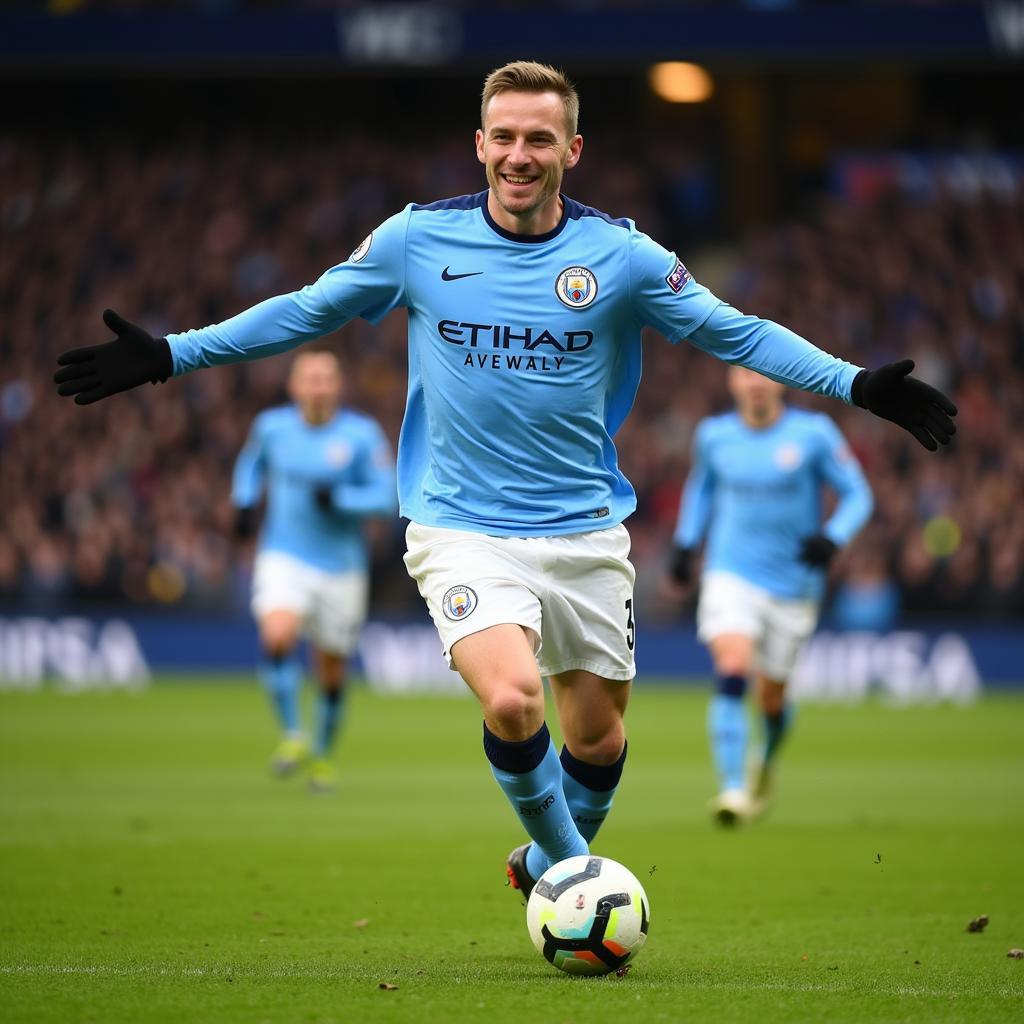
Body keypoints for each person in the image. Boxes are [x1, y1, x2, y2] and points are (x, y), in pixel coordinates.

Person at [53, 61, 956, 899]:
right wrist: (173, 354)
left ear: (571, 150)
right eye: (503, 137)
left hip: (586, 532)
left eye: (538, 139)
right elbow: (306, 310)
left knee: (597, 740)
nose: (518, 155)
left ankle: (546, 856)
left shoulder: (624, 258)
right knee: (516, 697)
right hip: (459, 527)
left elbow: (740, 331)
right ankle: (577, 879)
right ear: (479, 144)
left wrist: (856, 384)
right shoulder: (417, 239)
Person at [667, 366, 873, 825]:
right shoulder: (714, 436)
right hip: (730, 573)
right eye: (746, 375)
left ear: (779, 381)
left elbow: (858, 494)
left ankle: (766, 759)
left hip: (794, 585)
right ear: (732, 382)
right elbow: (701, 486)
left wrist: (834, 537)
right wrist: (686, 541)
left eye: (763, 375)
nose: (756, 383)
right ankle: (732, 789)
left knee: (772, 701)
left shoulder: (814, 434)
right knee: (733, 666)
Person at [231, 349, 397, 791]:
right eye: (311, 378)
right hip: (284, 555)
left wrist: (341, 500)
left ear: (338, 386)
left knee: (331, 670)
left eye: (326, 378)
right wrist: (244, 500)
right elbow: (251, 464)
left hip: (341, 569)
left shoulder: (361, 436)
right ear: (295, 386)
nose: (318, 386)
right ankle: (293, 735)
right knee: (278, 634)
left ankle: (321, 756)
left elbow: (386, 496)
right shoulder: (272, 428)